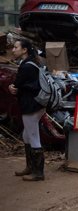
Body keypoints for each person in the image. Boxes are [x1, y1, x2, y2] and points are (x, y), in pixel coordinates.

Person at [8, 38, 46, 181]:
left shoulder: (26, 66)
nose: (13, 50)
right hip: (38, 104)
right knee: (26, 135)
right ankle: (30, 167)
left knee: (33, 136)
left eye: (16, 47)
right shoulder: (33, 63)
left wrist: (13, 87)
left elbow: (18, 85)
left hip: (30, 106)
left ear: (24, 50)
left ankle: (38, 172)